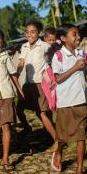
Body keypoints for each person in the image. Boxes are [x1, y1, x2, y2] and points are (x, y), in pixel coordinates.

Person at [50, 24, 87, 174]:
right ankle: (58, 151)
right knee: (63, 136)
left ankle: (79, 171)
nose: (78, 37)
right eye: (74, 34)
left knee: (82, 137)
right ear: (63, 38)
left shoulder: (82, 54)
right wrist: (75, 67)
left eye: (78, 34)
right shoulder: (58, 55)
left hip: (81, 101)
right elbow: (58, 79)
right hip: (65, 102)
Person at [0, 29, 24, 171]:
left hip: (7, 94)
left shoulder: (4, 55)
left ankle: (5, 159)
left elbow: (13, 74)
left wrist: (19, 90)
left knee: (6, 127)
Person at [16, 20, 56, 151]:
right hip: (28, 84)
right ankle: (27, 127)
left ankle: (57, 140)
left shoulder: (44, 46)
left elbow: (53, 60)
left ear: (39, 33)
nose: (29, 34)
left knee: (42, 113)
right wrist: (16, 73)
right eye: (27, 32)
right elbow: (21, 62)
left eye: (33, 32)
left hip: (41, 84)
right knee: (19, 109)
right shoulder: (24, 47)